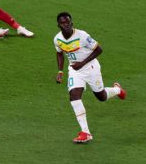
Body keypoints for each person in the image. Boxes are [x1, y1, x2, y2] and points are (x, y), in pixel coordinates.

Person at [54, 12, 126, 143]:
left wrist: (82, 63)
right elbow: (59, 53)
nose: (66, 25)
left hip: (91, 68)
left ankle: (117, 90)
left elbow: (99, 49)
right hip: (75, 70)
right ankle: (85, 132)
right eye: (63, 23)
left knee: (101, 97)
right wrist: (60, 71)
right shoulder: (57, 39)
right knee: (74, 96)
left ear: (72, 23)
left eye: (68, 22)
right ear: (58, 25)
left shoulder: (82, 35)